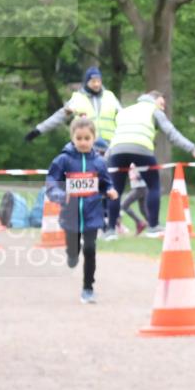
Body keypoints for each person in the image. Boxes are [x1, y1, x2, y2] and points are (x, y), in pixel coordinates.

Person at [104, 91, 195, 239]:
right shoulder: (153, 110)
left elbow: (117, 135)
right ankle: (153, 227)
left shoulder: (124, 111)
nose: (163, 108)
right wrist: (193, 149)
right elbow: (171, 133)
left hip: (117, 150)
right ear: (153, 100)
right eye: (161, 104)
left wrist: (103, 161)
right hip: (142, 148)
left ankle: (110, 231)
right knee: (153, 186)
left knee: (116, 190)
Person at [45, 117, 118, 304]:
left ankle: (88, 288)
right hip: (70, 215)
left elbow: (105, 183)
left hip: (93, 213)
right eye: (79, 138)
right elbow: (51, 183)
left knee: (90, 249)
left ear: (94, 138)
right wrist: (62, 196)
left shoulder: (100, 162)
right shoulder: (63, 160)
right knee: (74, 249)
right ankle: (71, 254)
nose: (83, 142)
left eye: (87, 138)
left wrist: (109, 191)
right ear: (72, 138)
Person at [25, 67, 122, 145]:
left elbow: (124, 117)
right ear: (86, 82)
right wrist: (37, 131)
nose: (96, 84)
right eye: (93, 81)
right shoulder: (77, 98)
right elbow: (58, 117)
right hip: (85, 145)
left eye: (98, 81)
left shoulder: (110, 96)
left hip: (109, 146)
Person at [120, 164, 149, 236]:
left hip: (140, 188)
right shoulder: (130, 161)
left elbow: (145, 171)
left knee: (124, 205)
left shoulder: (137, 159)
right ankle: (153, 225)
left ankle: (140, 223)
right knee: (143, 210)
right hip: (140, 187)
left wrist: (139, 176)